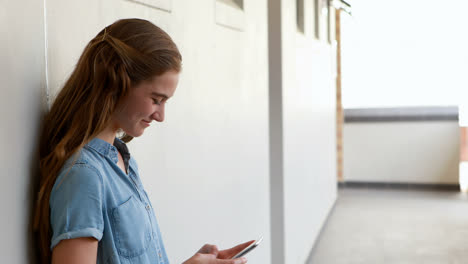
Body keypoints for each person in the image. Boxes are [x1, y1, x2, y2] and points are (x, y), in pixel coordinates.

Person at [33, 18, 252, 264]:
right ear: (116, 81)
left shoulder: (122, 161)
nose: (160, 116)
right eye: (156, 99)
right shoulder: (84, 176)